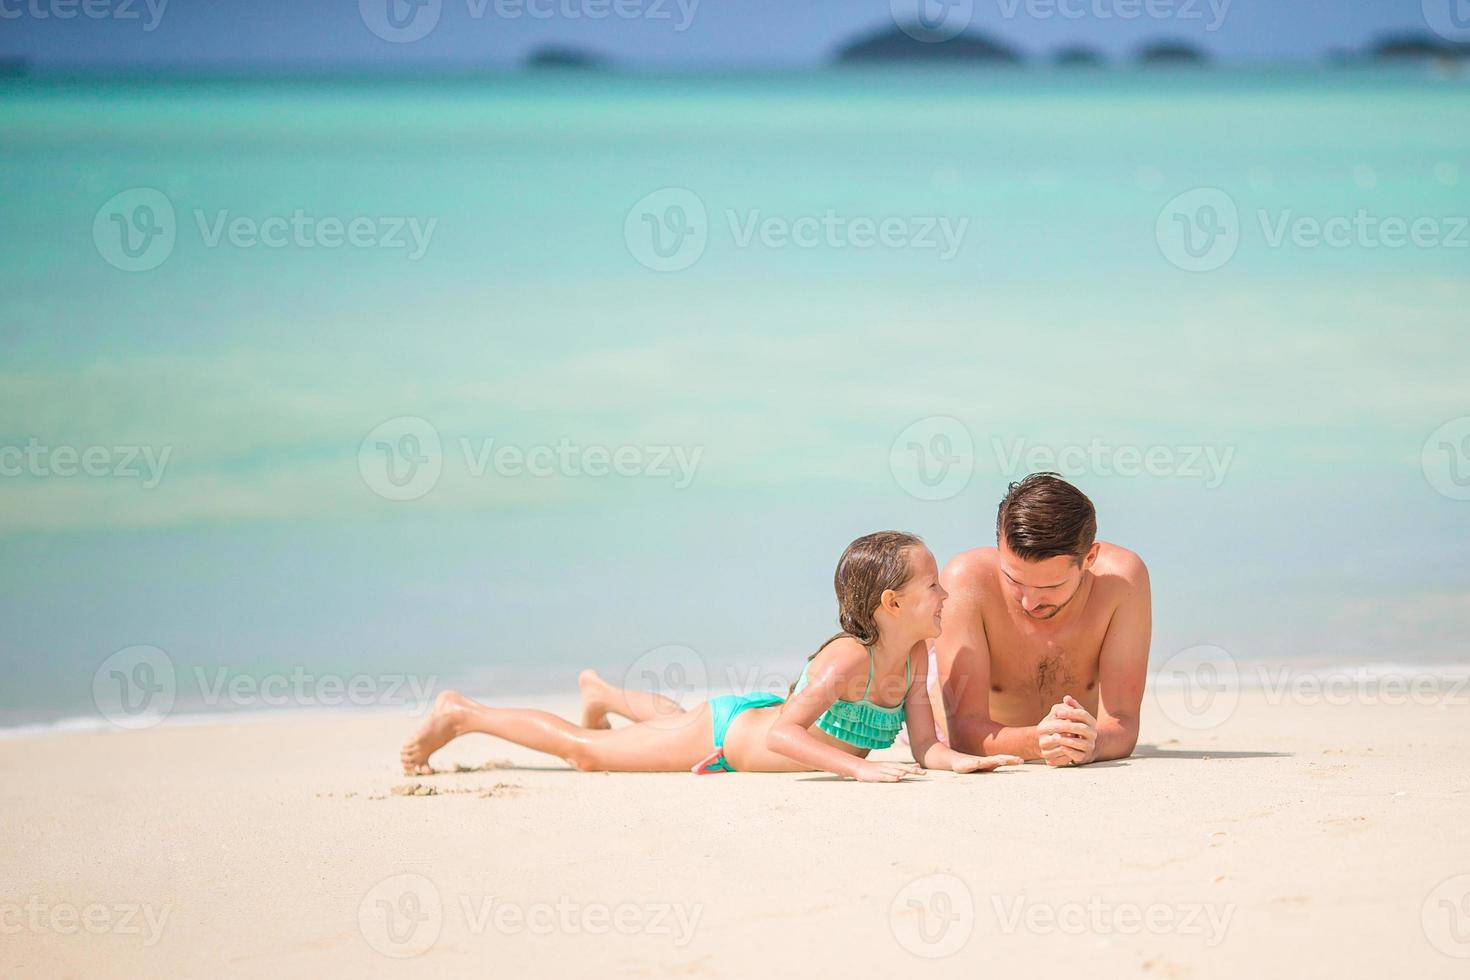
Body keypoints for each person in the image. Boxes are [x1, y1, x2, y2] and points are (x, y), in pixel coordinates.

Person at [400, 531, 1022, 781]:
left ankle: (602, 693)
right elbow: (783, 734)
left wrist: (954, 763)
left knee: (670, 717)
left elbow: (923, 745)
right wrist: (857, 770)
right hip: (728, 732)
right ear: (891, 602)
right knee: (586, 755)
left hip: (740, 719)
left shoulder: (916, 656)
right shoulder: (847, 662)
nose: (946, 595)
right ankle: (463, 713)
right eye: (933, 586)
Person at [931, 472, 1151, 767]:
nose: (1028, 602)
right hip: (945, 730)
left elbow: (1122, 722)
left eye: (1050, 587)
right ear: (999, 546)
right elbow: (963, 733)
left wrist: (1094, 744)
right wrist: (1041, 742)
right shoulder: (967, 580)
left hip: (1064, 738)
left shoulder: (1122, 581)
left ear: (1089, 558)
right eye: (1014, 580)